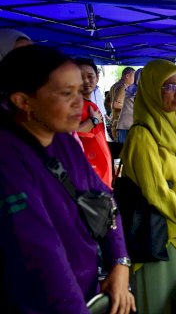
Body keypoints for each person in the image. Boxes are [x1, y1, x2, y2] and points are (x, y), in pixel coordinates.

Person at [0, 45, 134, 313]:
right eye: (66, 93)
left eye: (79, 91)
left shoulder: (64, 141)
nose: (79, 103)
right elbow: (41, 254)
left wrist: (120, 263)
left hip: (86, 289)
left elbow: (103, 199)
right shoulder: (8, 158)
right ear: (23, 101)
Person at [120, 59, 176, 313]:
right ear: (152, 90)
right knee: (163, 305)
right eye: (169, 86)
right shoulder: (142, 134)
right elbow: (156, 192)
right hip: (161, 238)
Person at [76, 58, 113, 188]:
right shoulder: (74, 105)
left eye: (90, 76)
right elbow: (72, 132)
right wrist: (93, 121)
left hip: (100, 173)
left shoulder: (90, 104)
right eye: (80, 77)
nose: (86, 81)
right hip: (89, 175)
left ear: (97, 78)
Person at [116, 68, 142, 143]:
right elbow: (115, 104)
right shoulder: (133, 89)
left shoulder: (131, 89)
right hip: (127, 126)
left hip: (127, 125)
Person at [110, 67, 135, 141]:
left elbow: (107, 102)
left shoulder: (114, 86)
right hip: (122, 125)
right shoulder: (123, 87)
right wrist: (131, 107)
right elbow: (115, 104)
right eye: (133, 76)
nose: (134, 79)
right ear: (127, 76)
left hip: (116, 122)